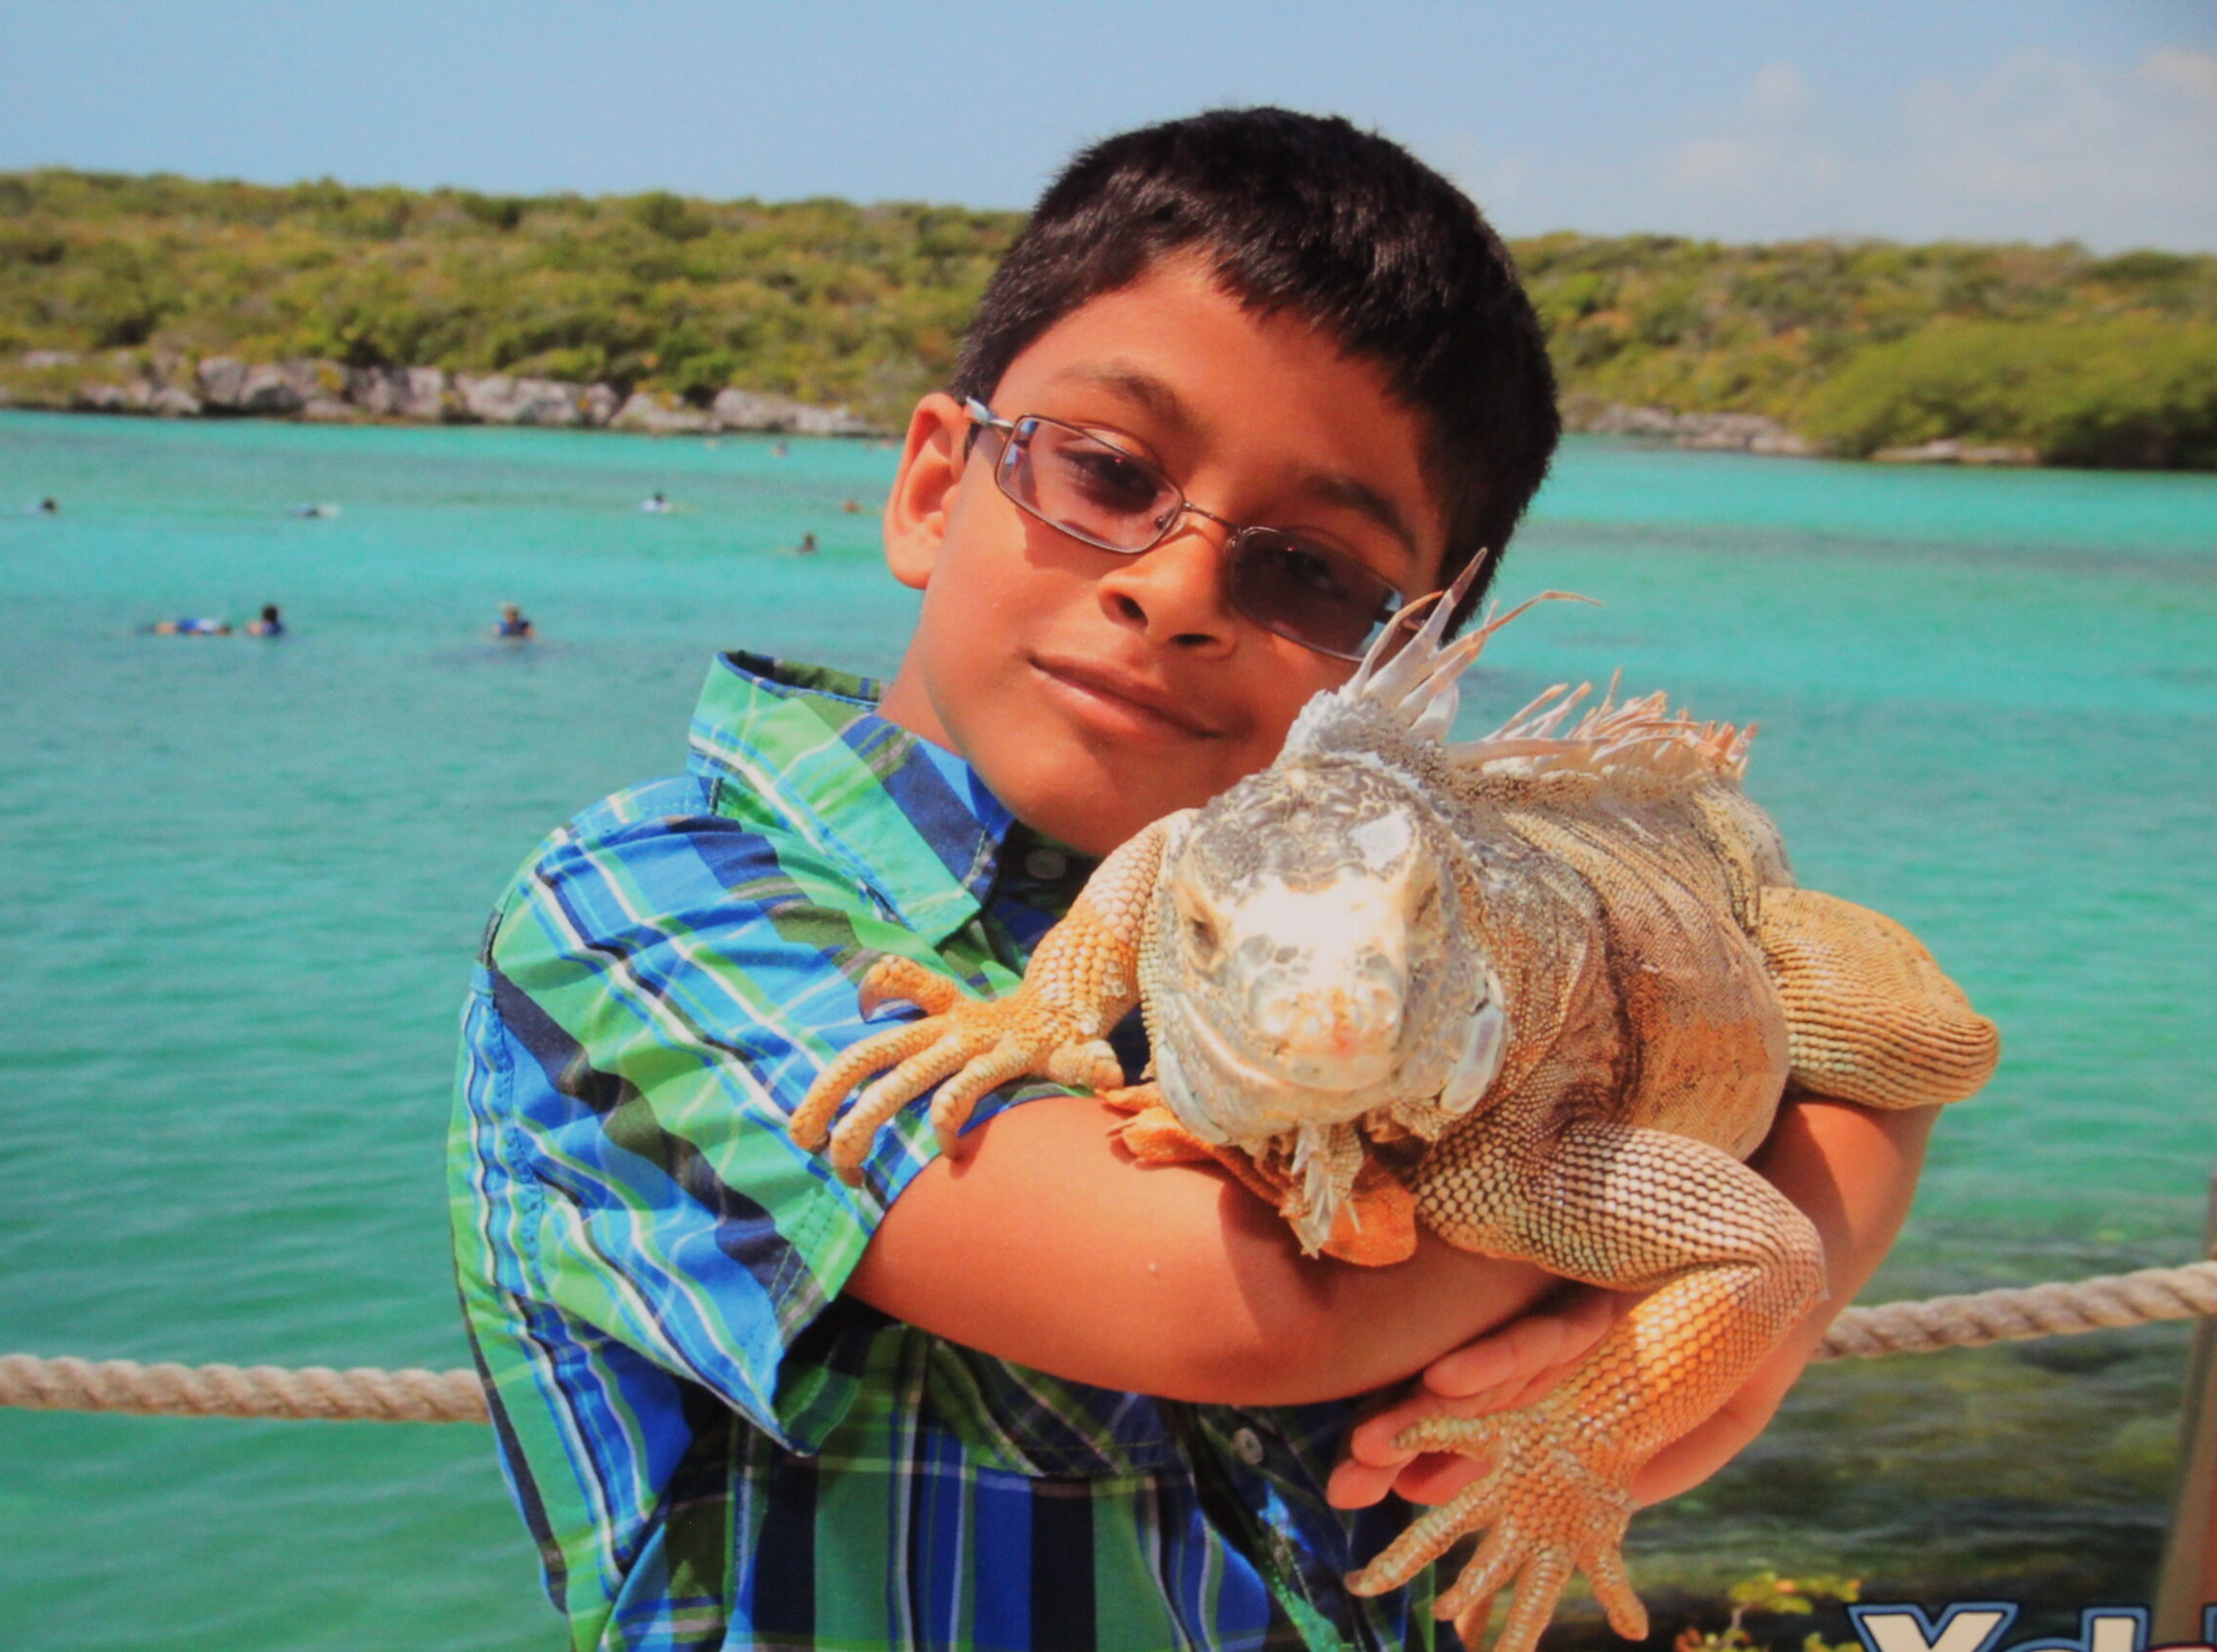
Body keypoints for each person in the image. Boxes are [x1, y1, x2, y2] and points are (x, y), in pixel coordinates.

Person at [451, 109, 1939, 1651]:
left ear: (1406, 661)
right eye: (1102, 472)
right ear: (928, 487)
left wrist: (1792, 1274)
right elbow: (1230, 1311)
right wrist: (1647, 1268)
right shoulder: (645, 915)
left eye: (1310, 571)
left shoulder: (1365, 939)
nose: (1173, 591)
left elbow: (1878, 1043)